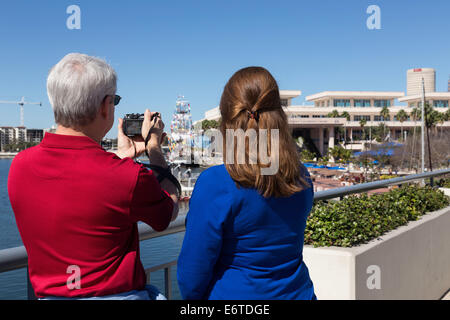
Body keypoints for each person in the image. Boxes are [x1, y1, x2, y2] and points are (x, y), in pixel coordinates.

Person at [7, 53, 179, 299]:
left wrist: (121, 156)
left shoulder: (19, 166)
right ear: (104, 106)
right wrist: (154, 149)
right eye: (115, 100)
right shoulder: (128, 176)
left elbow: (81, 183)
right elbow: (167, 213)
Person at [177, 66, 316, 300]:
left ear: (227, 119)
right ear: (279, 116)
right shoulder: (301, 175)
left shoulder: (217, 183)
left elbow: (192, 273)